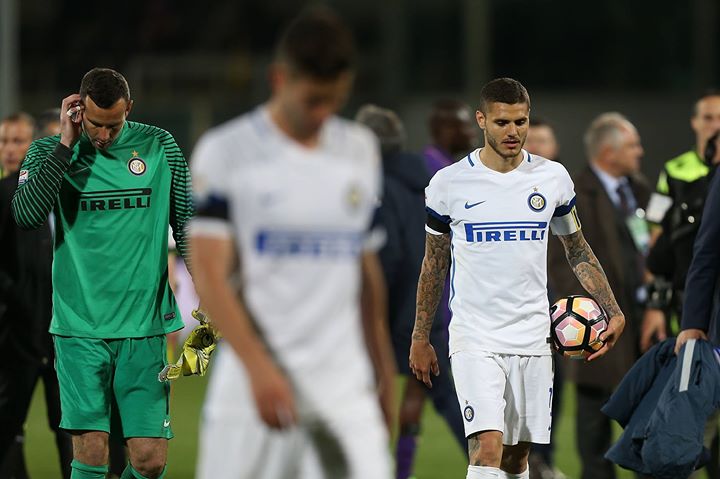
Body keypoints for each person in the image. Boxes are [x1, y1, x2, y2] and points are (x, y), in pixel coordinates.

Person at [190, 10, 395, 479]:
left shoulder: (358, 149)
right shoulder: (227, 152)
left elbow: (366, 274)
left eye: (335, 100)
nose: (324, 114)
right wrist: (259, 368)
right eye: (314, 100)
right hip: (252, 387)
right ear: (279, 79)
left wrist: (383, 374)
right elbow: (210, 273)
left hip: (341, 386)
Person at [409, 77, 626, 479]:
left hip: (533, 336)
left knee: (516, 458)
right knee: (487, 449)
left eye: (520, 122)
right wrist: (420, 336)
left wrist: (613, 310)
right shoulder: (449, 184)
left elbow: (577, 249)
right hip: (475, 336)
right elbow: (433, 264)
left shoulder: (552, 178)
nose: (512, 131)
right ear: (482, 120)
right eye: (502, 122)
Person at [12, 67, 194, 479]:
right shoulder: (49, 151)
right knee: (92, 453)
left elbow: (186, 224)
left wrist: (211, 301)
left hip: (144, 328)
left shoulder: (159, 145)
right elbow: (26, 215)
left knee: (149, 461)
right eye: (96, 124)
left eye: (114, 125)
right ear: (78, 110)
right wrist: (65, 145)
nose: (105, 135)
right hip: (79, 328)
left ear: (130, 109)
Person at [356, 104, 466, 479]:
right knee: (429, 393)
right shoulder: (425, 181)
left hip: (397, 311)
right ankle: (402, 472)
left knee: (371, 396)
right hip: (434, 306)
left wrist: (371, 310)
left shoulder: (380, 188)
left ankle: (493, 466)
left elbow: (388, 257)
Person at [548, 112, 650, 479]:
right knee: (595, 432)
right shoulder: (574, 193)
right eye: (632, 145)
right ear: (609, 152)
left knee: (649, 427)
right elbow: (560, 260)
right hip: (597, 327)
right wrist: (591, 314)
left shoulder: (640, 190)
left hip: (642, 323)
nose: (640, 152)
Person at [0, 112, 73, 479]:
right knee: (8, 427)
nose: (10, 149)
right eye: (4, 141)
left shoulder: (66, 191)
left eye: (19, 141)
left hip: (64, 334)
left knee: (71, 427)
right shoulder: (4, 193)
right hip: (18, 334)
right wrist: (16, 303)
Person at [642, 91, 720, 353]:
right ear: (694, 122)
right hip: (684, 289)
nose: (715, 125)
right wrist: (655, 302)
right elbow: (655, 232)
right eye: (708, 118)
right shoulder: (674, 170)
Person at [524, 117, 565, 479]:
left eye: (543, 140)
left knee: (553, 382)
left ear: (555, 148)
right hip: (514, 306)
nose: (536, 146)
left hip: (560, 304)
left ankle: (543, 459)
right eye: (530, 140)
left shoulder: (563, 191)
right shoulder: (496, 190)